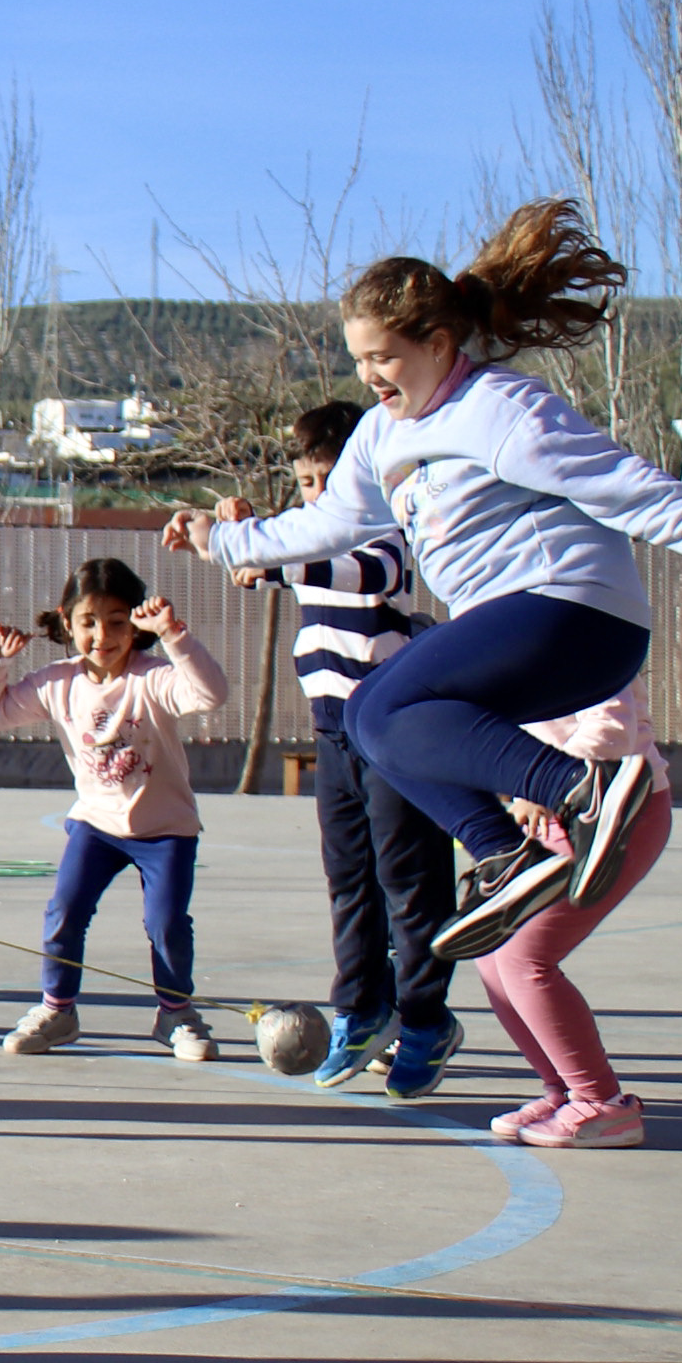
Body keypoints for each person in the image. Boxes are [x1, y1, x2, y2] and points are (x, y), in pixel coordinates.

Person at [172, 199, 682, 962]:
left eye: (386, 358)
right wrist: (225, 539)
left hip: (572, 611)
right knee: (378, 723)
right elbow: (329, 522)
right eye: (360, 360)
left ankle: (584, 792)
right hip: (524, 634)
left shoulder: (498, 408)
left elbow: (615, 480)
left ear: (438, 342)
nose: (371, 377)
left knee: (384, 702)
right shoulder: (378, 435)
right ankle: (509, 857)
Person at [222, 401, 457, 1096]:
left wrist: (264, 559)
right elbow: (285, 561)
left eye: (330, 478)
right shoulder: (306, 547)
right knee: (350, 884)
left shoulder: (386, 534)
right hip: (334, 739)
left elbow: (365, 576)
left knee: (410, 890)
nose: (318, 495)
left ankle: (425, 1020)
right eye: (305, 484)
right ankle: (363, 1010)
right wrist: (251, 542)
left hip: (395, 739)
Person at [0, 559, 227, 1061]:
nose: (102, 635)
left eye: (116, 621)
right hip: (97, 825)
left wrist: (174, 634)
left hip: (165, 829)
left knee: (166, 921)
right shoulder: (57, 682)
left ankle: (176, 1014)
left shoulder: (152, 678)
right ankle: (57, 1010)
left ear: (135, 624)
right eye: (88, 622)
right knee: (65, 911)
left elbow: (209, 694)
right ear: (68, 623)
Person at [477, 684, 672, 1149]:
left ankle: (602, 1103)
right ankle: (564, 1091)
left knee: (527, 956)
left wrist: (541, 785)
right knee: (492, 952)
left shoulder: (585, 627)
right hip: (549, 816)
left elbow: (612, 727)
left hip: (617, 810)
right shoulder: (498, 636)